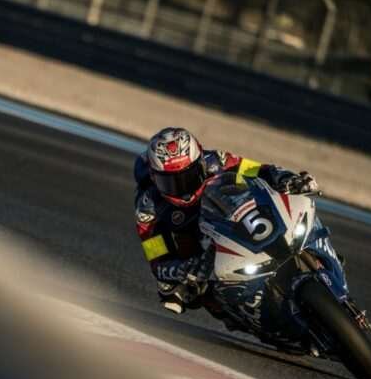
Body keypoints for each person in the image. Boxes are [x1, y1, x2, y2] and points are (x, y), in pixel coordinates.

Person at [134, 127, 318, 314]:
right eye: (170, 183)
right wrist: (179, 269)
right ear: (154, 178)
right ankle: (237, 311)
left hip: (234, 214)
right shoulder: (148, 207)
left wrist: (286, 178)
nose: (183, 189)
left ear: (201, 162)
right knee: (174, 290)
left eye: (189, 176)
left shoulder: (216, 160)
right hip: (198, 241)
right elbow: (156, 258)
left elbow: (258, 169)